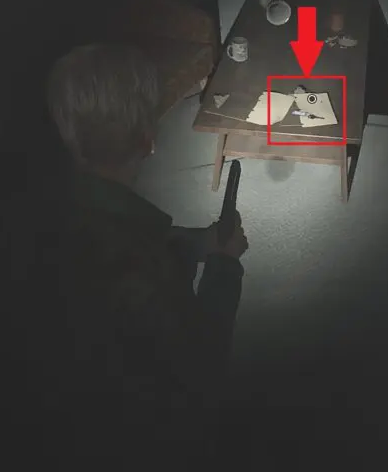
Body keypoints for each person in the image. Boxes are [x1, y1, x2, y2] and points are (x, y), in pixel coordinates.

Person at [44, 43, 247, 469]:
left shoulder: (50, 207)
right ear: (148, 141)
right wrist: (225, 265)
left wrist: (201, 243)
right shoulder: (140, 272)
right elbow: (202, 361)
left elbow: (131, 232)